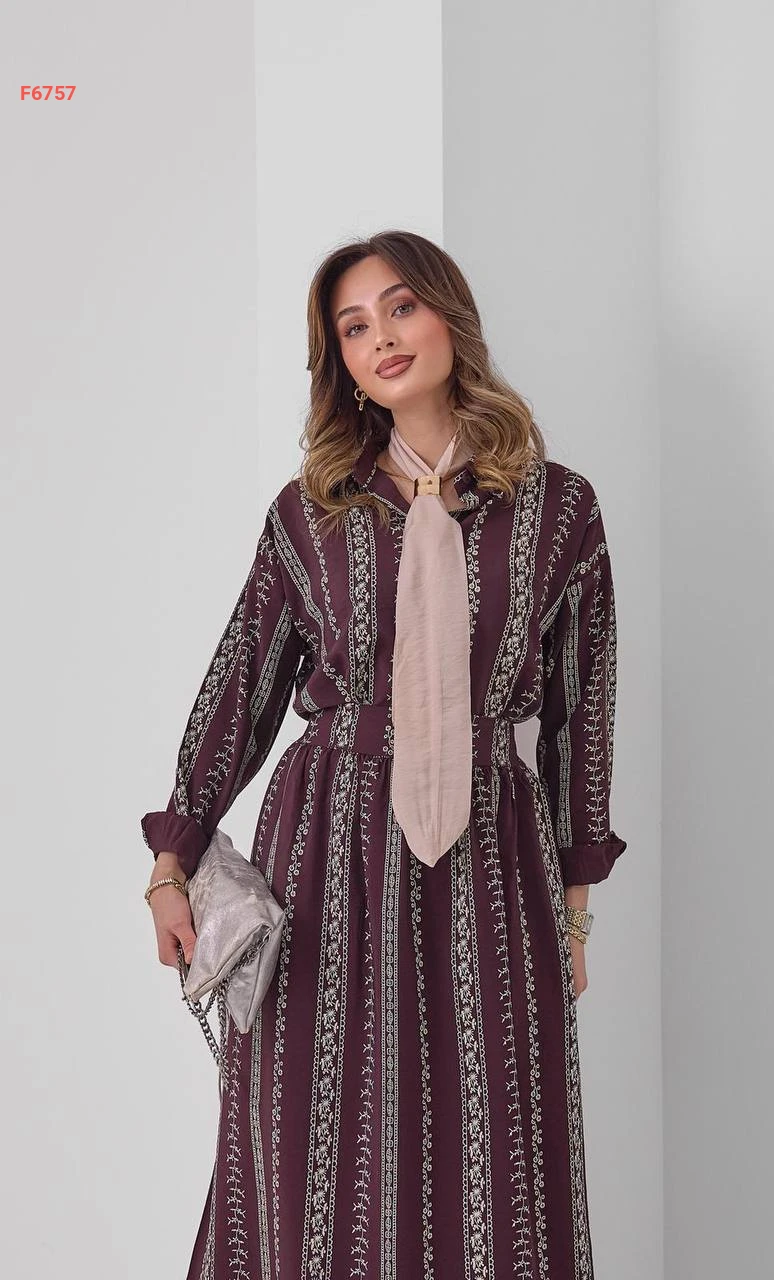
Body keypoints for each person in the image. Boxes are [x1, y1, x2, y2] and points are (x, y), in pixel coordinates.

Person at [141, 229, 627, 1279]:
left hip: (493, 854)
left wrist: (576, 911)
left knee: (500, 1132)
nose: (382, 339)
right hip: (327, 848)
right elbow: (241, 688)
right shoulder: (309, 512)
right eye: (353, 328)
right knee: (317, 1135)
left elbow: (582, 715)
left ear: (449, 315)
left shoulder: (560, 509)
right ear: (343, 364)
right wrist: (172, 860)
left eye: (400, 308)